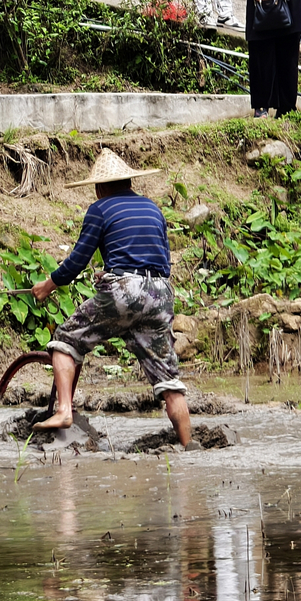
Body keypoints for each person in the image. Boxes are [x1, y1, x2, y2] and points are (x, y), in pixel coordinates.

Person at [30, 149, 192, 447]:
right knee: (170, 383)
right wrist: (113, 274)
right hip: (161, 294)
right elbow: (162, 263)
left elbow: (77, 260)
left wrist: (48, 286)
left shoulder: (100, 209)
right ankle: (188, 445)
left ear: (100, 186)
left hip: (124, 293)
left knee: (65, 341)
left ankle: (64, 410)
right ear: (129, 181)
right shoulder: (153, 208)